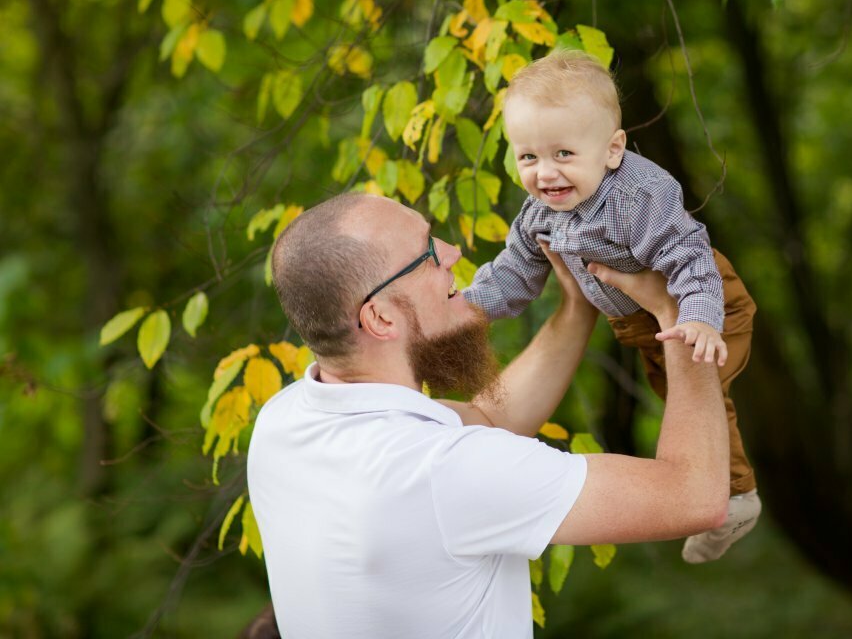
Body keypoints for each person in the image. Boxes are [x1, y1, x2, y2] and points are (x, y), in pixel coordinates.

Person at [248, 192, 730, 638]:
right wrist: (680, 316)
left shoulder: (283, 420)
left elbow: (486, 419)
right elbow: (696, 497)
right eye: (426, 254)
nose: (452, 251)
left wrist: (576, 305)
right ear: (380, 319)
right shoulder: (443, 472)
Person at [464, 49, 760, 563]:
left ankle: (736, 497)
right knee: (672, 390)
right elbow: (514, 272)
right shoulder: (539, 213)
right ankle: (729, 492)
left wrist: (698, 319)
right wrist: (465, 314)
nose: (544, 173)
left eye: (563, 154)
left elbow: (688, 256)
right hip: (639, 322)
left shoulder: (640, 197)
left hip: (707, 303)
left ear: (612, 150)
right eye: (528, 157)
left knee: (699, 400)